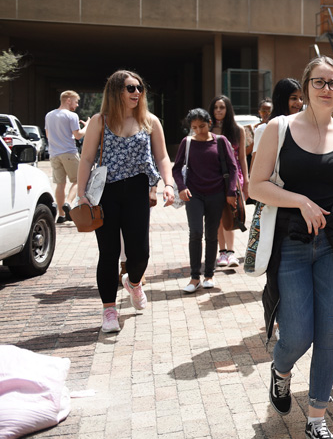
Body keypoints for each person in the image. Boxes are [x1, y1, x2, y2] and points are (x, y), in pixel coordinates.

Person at [249, 55, 333, 439]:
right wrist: (300, 201)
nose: (327, 89)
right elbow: (255, 186)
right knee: (298, 334)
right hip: (290, 243)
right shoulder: (279, 128)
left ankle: (317, 419)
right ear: (305, 87)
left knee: (327, 335)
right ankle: (281, 370)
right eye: (319, 82)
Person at [76, 70, 175, 333]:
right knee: (108, 253)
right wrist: (81, 193)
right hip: (106, 192)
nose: (137, 93)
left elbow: (163, 157)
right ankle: (109, 310)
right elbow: (86, 159)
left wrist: (169, 184)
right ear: (116, 91)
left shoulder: (150, 120)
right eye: (131, 88)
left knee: (140, 252)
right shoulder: (100, 121)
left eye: (140, 88)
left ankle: (133, 282)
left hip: (137, 191)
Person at [173, 108, 238, 293]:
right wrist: (181, 187)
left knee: (211, 234)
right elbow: (176, 169)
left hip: (217, 194)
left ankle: (209, 274)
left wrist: (231, 191)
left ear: (209, 123)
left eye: (202, 126)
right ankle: (194, 277)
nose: (198, 130)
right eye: (194, 127)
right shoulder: (187, 142)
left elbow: (233, 168)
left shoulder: (220, 141)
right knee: (195, 232)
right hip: (194, 194)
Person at [210, 95, 249, 268]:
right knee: (218, 216)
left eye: (222, 107)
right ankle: (222, 253)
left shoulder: (237, 129)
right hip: (213, 177)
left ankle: (231, 253)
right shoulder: (207, 129)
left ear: (228, 109)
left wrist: (246, 181)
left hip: (234, 178)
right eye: (216, 107)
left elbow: (242, 157)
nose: (218, 111)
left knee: (231, 213)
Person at [45, 90, 87, 223]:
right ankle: (68, 203)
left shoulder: (49, 115)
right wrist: (88, 126)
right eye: (76, 101)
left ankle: (61, 215)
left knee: (60, 184)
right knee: (78, 180)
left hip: (54, 154)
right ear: (68, 100)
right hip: (69, 152)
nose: (77, 105)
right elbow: (78, 135)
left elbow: (47, 135)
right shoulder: (71, 116)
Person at [251, 78, 303, 166]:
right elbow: (255, 166)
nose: (299, 102)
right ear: (282, 99)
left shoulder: (303, 128)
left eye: (301, 98)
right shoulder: (264, 129)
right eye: (294, 98)